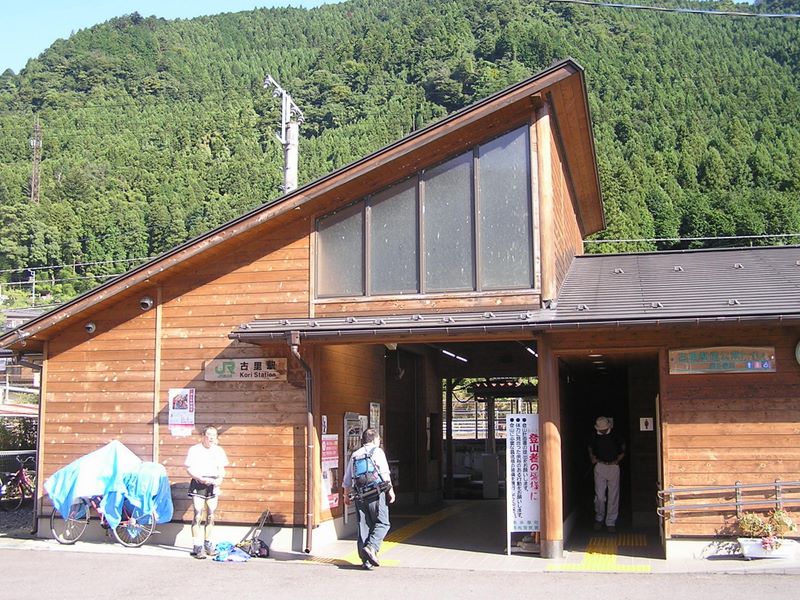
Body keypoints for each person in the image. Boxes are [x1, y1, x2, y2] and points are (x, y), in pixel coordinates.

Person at [343, 428, 395, 570]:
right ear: (375, 439)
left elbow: (347, 478)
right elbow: (384, 474)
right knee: (383, 523)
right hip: (376, 494)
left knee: (363, 526)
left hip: (359, 495)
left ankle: (365, 560)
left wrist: (345, 496)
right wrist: (391, 491)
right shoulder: (377, 452)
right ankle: (372, 547)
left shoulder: (355, 454)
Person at [185, 425, 229, 559]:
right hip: (198, 483)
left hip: (213, 484)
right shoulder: (195, 450)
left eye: (214, 435)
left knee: (211, 515)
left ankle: (208, 544)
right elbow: (188, 468)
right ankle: (197, 546)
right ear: (203, 436)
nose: (211, 437)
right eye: (208, 434)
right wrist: (199, 478)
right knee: (198, 514)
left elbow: (222, 469)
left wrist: (220, 479)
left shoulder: (219, 451)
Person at [587, 416, 626, 533]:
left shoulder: (615, 435)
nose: (603, 431)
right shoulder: (594, 435)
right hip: (600, 466)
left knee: (613, 495)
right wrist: (592, 457)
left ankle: (611, 522)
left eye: (604, 429)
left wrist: (618, 460)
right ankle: (599, 518)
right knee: (599, 495)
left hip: (613, 466)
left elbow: (623, 447)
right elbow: (589, 447)